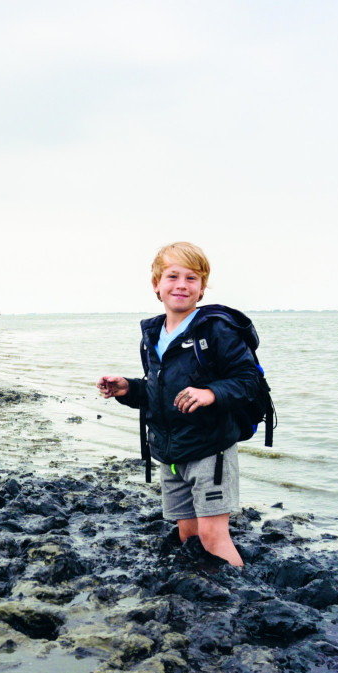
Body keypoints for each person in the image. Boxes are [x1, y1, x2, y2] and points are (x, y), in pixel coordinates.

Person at [98, 242, 262, 567]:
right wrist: (127, 389)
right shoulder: (152, 335)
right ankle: (202, 596)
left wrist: (211, 393)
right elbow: (156, 394)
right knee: (188, 535)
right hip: (171, 455)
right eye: (173, 276)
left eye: (192, 278)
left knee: (214, 536)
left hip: (210, 450)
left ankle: (241, 605)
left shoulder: (216, 330)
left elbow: (249, 381)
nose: (182, 285)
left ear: (202, 289)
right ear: (157, 285)